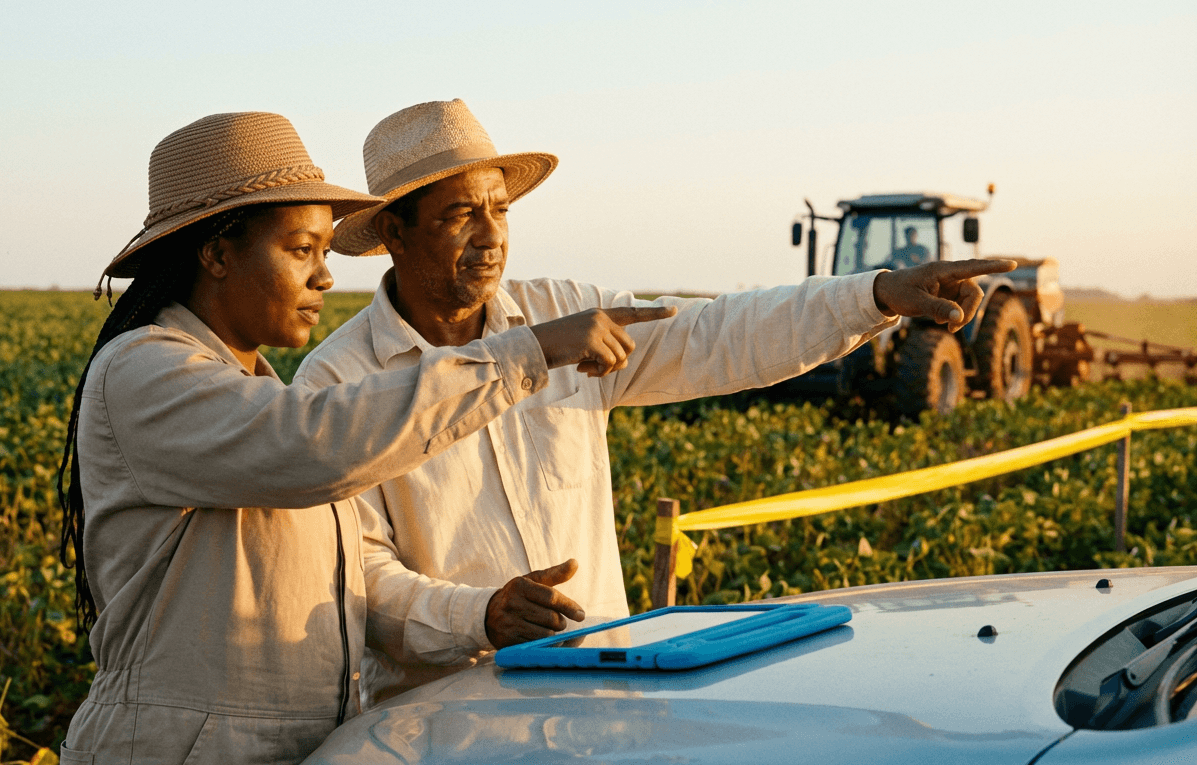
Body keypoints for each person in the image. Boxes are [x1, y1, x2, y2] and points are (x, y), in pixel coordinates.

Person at [293, 98, 1016, 704]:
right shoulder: (337, 384)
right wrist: (478, 614)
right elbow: (354, 572)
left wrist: (873, 295)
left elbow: (717, 333)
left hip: (600, 698)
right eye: (460, 215)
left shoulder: (568, 314)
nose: (491, 238)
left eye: (501, 211)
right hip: (441, 723)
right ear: (394, 230)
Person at [54, 111, 675, 765]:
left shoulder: (251, 390)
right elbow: (316, 445)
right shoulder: (146, 372)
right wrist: (532, 349)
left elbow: (354, 576)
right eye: (300, 250)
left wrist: (476, 617)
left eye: (325, 251)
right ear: (217, 253)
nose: (324, 277)